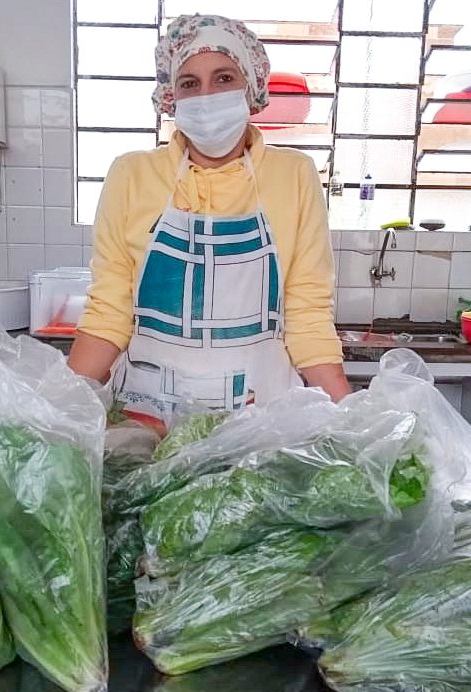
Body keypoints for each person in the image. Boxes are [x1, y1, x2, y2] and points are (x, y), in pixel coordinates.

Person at [68, 14, 347, 430]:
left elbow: (308, 315)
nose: (206, 96)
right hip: (148, 420)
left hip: (258, 423)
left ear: (251, 87)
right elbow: (109, 310)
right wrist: (60, 409)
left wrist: (354, 418)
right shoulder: (132, 174)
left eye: (224, 78)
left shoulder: (293, 175)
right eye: (189, 83)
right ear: (171, 96)